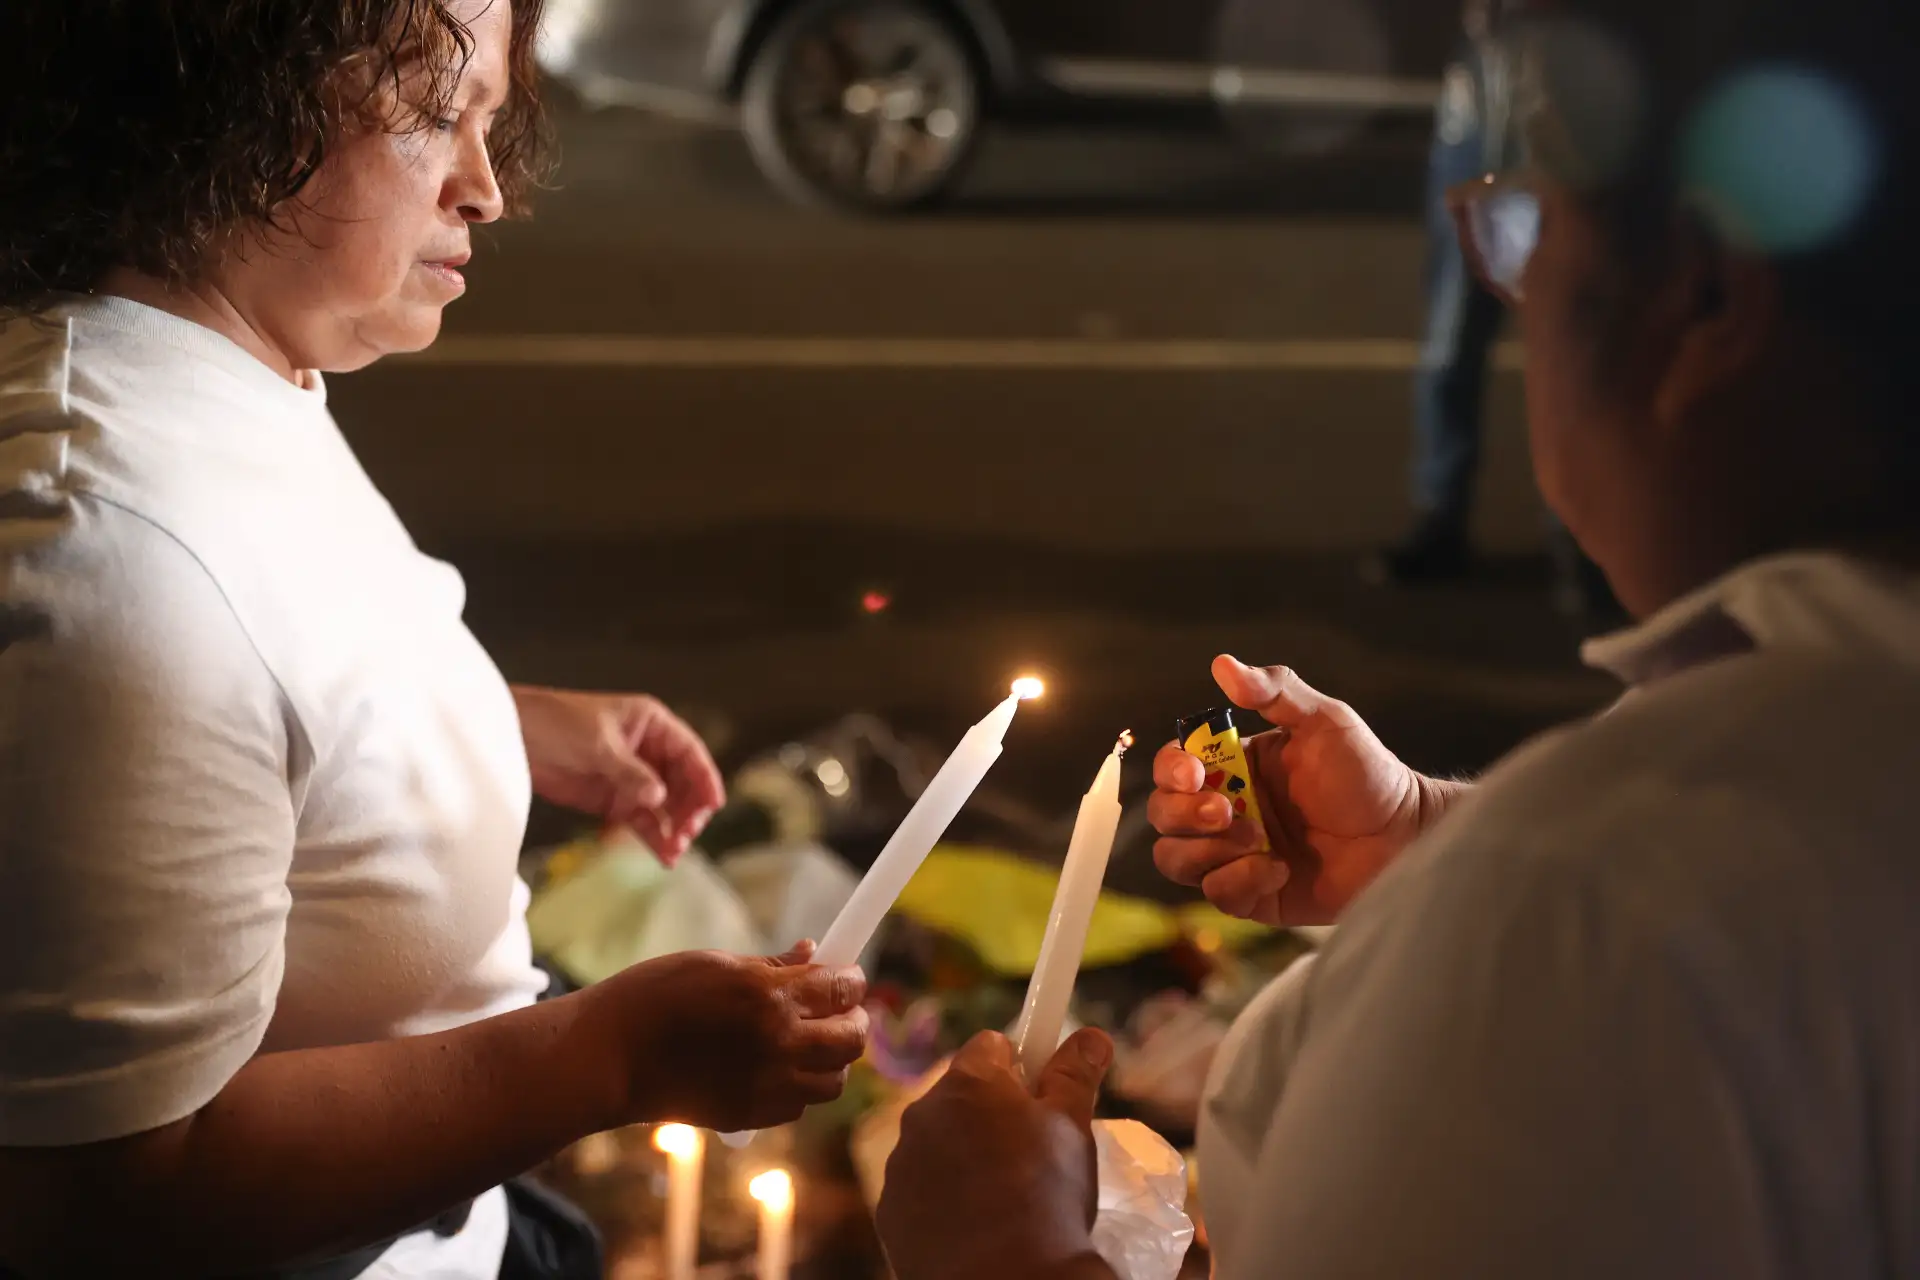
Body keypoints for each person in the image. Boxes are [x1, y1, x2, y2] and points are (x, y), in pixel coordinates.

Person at [877, 0, 1920, 1275]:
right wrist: (1432, 840)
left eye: (1529, 235)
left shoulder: (1582, 920)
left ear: (1699, 302)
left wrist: (997, 1253)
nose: (1512, 294)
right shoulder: (1800, 760)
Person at [0, 3, 868, 1277]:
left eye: (487, 118)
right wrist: (609, 1055)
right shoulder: (116, 555)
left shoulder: (229, 362)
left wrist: (484, 714)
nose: (488, 188)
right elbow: (101, 1198)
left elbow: (261, 694)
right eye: (427, 115)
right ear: (227, 107)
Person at [1366, 0, 1621, 625]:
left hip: (1561, 69)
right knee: (1453, 338)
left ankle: (1578, 537)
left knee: (1565, 341)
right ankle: (1441, 517)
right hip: (1489, 83)